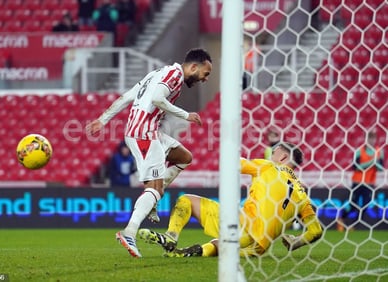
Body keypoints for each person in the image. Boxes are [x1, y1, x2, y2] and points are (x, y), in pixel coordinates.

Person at [86, 48, 212, 257]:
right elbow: (157, 99)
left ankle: (154, 196)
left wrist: (103, 119)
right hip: (144, 133)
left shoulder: (157, 73)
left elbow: (128, 96)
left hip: (148, 131)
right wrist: (185, 115)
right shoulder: (174, 76)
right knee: (153, 188)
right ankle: (129, 232)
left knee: (184, 157)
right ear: (193, 67)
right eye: (205, 74)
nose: (205, 79)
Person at [139, 142, 323, 257]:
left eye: (274, 152)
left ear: (283, 157)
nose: (270, 155)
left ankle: (171, 238)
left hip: (243, 226)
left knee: (185, 200)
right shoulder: (302, 195)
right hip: (260, 249)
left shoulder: (269, 167)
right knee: (221, 245)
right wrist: (295, 242)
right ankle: (195, 252)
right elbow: (316, 231)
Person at [337, 130, 384, 231]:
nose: (371, 140)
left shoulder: (379, 152)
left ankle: (353, 226)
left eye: (373, 138)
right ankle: (341, 218)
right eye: (369, 138)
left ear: (375, 139)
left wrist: (377, 164)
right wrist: (372, 162)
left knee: (365, 205)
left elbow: (381, 168)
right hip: (357, 182)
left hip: (370, 182)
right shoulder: (359, 151)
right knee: (353, 204)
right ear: (366, 139)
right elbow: (356, 167)